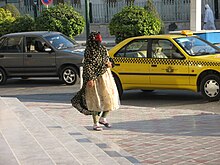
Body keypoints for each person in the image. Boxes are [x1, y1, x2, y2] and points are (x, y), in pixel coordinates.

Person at [71, 31, 120, 131]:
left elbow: (109, 59)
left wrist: (110, 64)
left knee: (109, 97)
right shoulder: (89, 51)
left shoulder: (103, 49)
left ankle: (103, 118)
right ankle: (95, 123)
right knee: (95, 100)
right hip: (94, 78)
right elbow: (88, 65)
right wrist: (90, 78)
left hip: (106, 77)